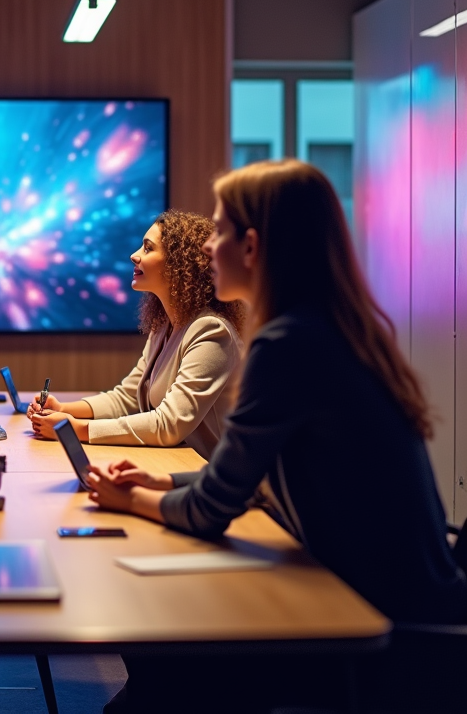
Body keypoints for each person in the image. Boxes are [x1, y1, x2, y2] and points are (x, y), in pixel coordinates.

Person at [87, 160, 467, 713]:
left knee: (161, 658)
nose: (206, 248)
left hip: (378, 635)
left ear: (252, 246)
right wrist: (163, 479)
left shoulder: (288, 344)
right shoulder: (331, 330)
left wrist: (131, 498)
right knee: (155, 659)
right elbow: (255, 477)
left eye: (218, 231)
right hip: (397, 608)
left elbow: (215, 507)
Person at [29, 210, 244, 460]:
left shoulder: (211, 330)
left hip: (212, 482)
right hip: (177, 466)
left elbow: (170, 425)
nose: (134, 255)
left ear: (179, 263)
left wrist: (76, 429)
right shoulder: (164, 325)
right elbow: (127, 398)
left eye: (147, 248)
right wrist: (64, 410)